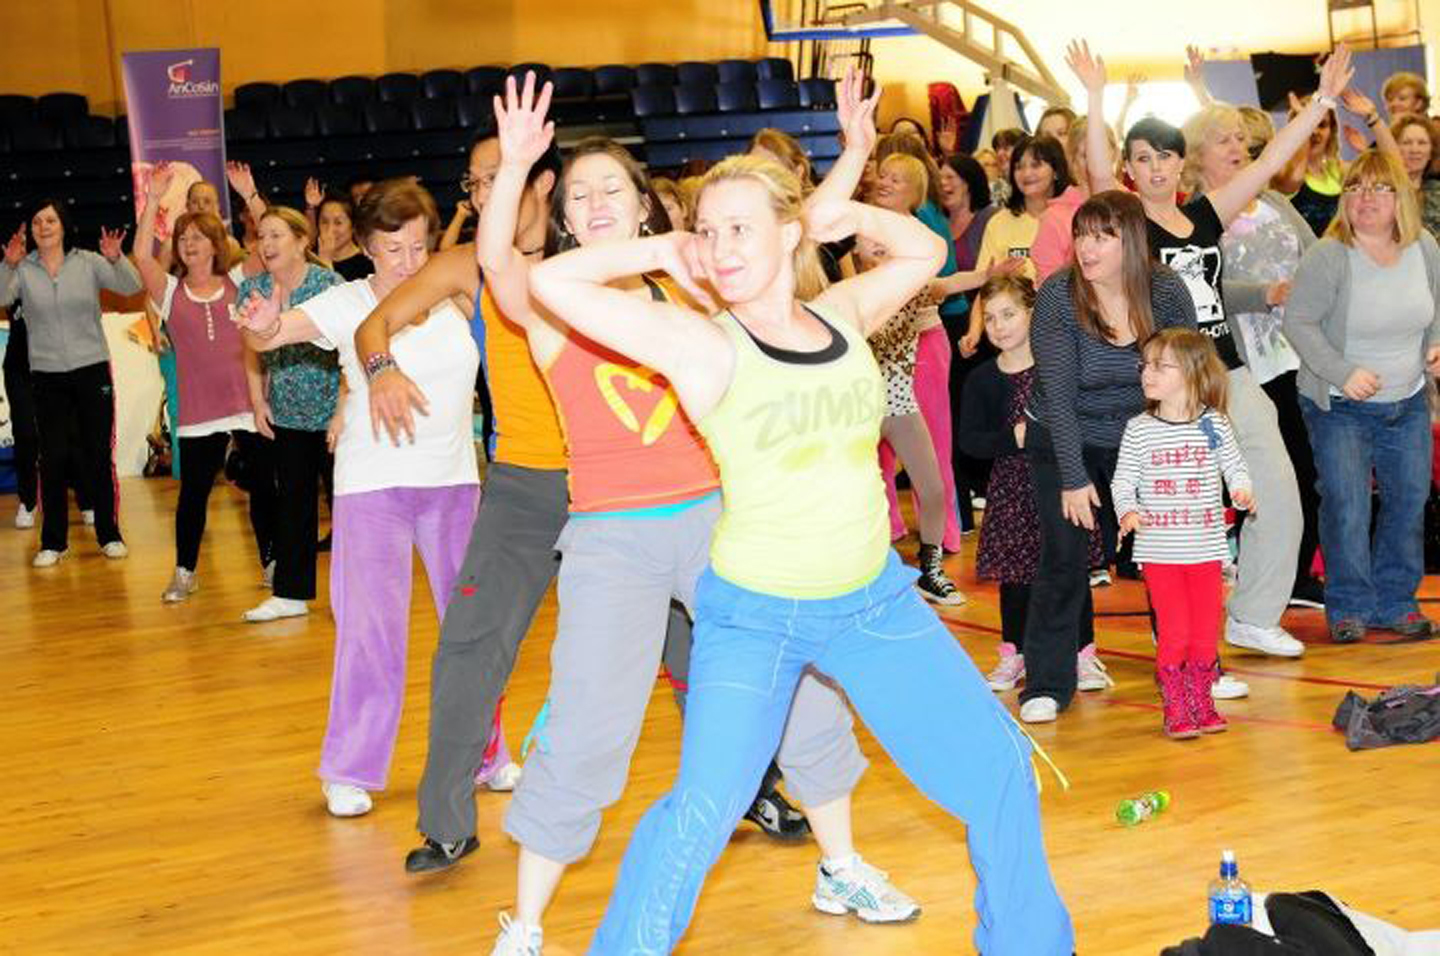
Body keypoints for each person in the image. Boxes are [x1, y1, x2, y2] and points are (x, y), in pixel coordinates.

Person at [527, 153, 1072, 956]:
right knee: (701, 814)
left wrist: (850, 217)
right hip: (757, 618)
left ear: (788, 233)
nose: (720, 247)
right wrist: (663, 248)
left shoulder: (842, 313)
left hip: (872, 602)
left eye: (739, 228)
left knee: (998, 769)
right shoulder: (701, 344)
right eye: (709, 231)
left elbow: (924, 253)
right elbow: (551, 283)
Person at [478, 72, 918, 956]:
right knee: (588, 724)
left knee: (804, 693)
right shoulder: (559, 304)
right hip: (611, 537)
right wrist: (517, 164)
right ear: (561, 217)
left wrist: (856, 153)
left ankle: (840, 865)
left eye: (612, 188)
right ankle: (524, 927)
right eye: (578, 194)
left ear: (644, 202)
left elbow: (788, 232)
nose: (595, 203)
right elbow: (497, 264)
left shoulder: (702, 290)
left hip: (723, 522)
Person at [351, 129, 653, 874]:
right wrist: (383, 370)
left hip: (619, 487)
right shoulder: (469, 268)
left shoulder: (599, 259)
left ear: (543, 182)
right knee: (468, 647)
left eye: (496, 179)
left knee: (690, 642)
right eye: (477, 183)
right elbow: (372, 325)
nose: (482, 193)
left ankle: (758, 788)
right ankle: (447, 824)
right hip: (523, 487)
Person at [1074, 40, 1354, 662]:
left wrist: (1322, 102)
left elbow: (1268, 161)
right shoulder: (1126, 223)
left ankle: (1253, 616)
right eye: (1141, 158)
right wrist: (1095, 98)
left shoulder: (1205, 213)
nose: (1154, 168)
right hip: (1169, 387)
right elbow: (1096, 175)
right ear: (1130, 168)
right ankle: (1184, 645)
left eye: (1164, 157)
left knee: (1280, 492)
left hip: (1229, 372)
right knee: (1185, 516)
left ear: (1181, 164)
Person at [234, 179, 490, 817]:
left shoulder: (453, 294)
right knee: (371, 635)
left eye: (417, 247)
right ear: (367, 248)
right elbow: (273, 334)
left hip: (454, 483)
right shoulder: (346, 302)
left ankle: (487, 754)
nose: (407, 261)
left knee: (474, 629)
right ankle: (350, 770)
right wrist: (261, 326)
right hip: (372, 488)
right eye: (392, 249)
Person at [1018, 190, 1198, 724]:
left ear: (1133, 241)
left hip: (1139, 437)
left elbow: (1186, 379)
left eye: (1102, 236)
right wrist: (1075, 480)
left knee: (1170, 554)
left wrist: (1181, 457)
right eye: (1081, 235)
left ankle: (1192, 668)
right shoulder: (1059, 295)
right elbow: (1059, 397)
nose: (1086, 247)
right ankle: (1047, 683)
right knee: (1064, 556)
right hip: (1063, 436)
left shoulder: (1166, 291)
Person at [1283, 149, 1440, 644]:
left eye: (1378, 188)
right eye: (1354, 188)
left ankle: (1396, 602)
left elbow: (1437, 307)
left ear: (1401, 199)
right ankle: (1349, 605)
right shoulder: (1329, 255)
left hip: (1408, 400)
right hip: (1339, 405)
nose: (1365, 198)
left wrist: (1436, 344)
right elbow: (1298, 323)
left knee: (1408, 501)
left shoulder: (1424, 247)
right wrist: (1343, 372)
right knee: (1347, 505)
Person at [1182, 102, 1325, 613]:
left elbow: (1318, 256)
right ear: (1197, 155)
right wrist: (1265, 292)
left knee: (1306, 473)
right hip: (1244, 362)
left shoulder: (1275, 202)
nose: (1238, 147)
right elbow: (1201, 287)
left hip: (1299, 355)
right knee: (1266, 478)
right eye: (1225, 139)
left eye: (1242, 138)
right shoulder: (1194, 217)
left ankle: (1293, 576)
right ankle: (1259, 582)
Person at [134, 162, 274, 602]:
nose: (189, 244)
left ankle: (272, 563)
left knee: (263, 488)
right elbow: (141, 257)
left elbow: (271, 247)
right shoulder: (170, 292)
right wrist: (152, 201)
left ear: (215, 244)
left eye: (197, 237)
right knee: (193, 495)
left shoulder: (238, 281)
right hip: (198, 413)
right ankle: (185, 572)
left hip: (247, 405)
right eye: (183, 238)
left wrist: (251, 195)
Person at [960, 275, 1103, 692]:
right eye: (989, 318)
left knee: (1070, 567)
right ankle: (1015, 653)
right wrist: (1014, 438)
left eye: (1008, 314)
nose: (999, 326)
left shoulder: (1056, 369)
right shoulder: (982, 379)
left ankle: (1083, 654)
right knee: (1016, 577)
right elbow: (969, 441)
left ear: (1032, 313)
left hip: (1061, 485)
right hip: (1011, 490)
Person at [1113, 328, 1253, 738]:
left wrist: (1242, 489)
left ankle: (1201, 700)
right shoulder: (1139, 429)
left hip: (1207, 551)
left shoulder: (1214, 424)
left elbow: (1234, 466)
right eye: (1145, 365)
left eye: (1161, 366)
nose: (1147, 373)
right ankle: (1176, 704)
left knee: (1205, 631)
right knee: (1175, 631)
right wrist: (1128, 511)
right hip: (1161, 554)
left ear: (1193, 372)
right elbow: (1123, 482)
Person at [1, 201, 139, 567]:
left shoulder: (89, 262)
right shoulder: (24, 269)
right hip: (46, 376)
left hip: (91, 369)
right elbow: (2, 296)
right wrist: (8, 265)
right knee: (53, 458)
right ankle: (53, 542)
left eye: (50, 220)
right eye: (36, 221)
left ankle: (109, 535)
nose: (43, 226)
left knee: (98, 455)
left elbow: (132, 285)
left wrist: (115, 259)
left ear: (64, 226)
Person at [237, 206, 343, 620]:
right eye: (261, 236)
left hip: (334, 413)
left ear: (301, 242)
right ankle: (291, 595)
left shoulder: (328, 285)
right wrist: (258, 401)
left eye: (276, 235)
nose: (266, 244)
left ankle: (355, 592)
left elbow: (351, 349)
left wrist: (343, 410)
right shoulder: (253, 291)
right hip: (287, 414)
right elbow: (250, 350)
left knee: (347, 507)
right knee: (293, 504)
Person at [304, 181, 371, 281]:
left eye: (338, 222)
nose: (330, 229)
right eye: (324, 222)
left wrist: (326, 259)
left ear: (353, 226)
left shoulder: (367, 264)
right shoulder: (310, 262)